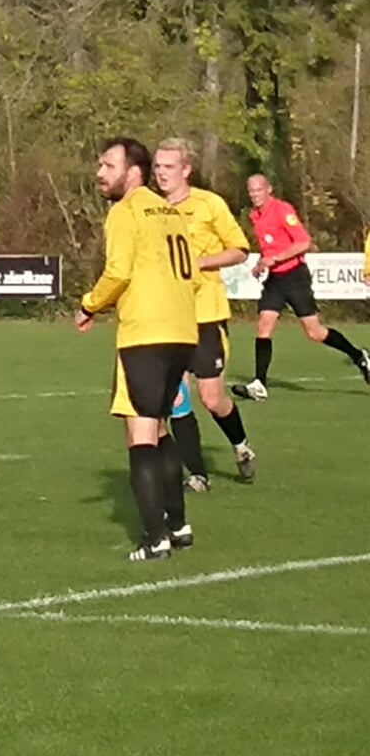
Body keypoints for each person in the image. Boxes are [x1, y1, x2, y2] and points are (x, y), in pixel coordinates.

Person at [76, 138, 198, 562]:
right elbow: (192, 275)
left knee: (139, 433)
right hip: (183, 331)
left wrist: (89, 304)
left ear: (133, 172)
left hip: (145, 334)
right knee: (160, 426)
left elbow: (118, 272)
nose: (99, 173)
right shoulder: (173, 212)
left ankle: (155, 538)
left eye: (108, 165)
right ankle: (178, 525)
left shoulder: (125, 212)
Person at [150, 140, 257, 490]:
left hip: (206, 315)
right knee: (176, 399)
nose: (161, 173)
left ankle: (241, 446)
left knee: (212, 398)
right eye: (157, 167)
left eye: (168, 166)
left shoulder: (209, 204)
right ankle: (197, 473)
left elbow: (240, 249)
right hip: (168, 318)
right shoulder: (150, 209)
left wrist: (198, 263)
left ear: (186, 169)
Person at [240, 174, 369, 398]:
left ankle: (359, 356)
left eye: (258, 190)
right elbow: (270, 247)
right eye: (251, 191)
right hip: (275, 280)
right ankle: (259, 384)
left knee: (314, 332)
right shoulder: (254, 215)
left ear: (268, 189)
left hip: (295, 277)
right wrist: (263, 263)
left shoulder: (282, 210)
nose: (255, 195)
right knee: (263, 325)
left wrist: (276, 258)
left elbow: (304, 242)